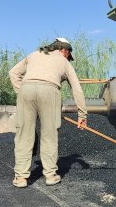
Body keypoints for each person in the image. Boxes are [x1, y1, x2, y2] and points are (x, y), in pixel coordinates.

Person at [9, 37, 88, 187]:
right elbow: (76, 87)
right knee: (49, 135)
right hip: (50, 92)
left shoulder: (33, 55)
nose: (68, 59)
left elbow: (13, 73)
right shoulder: (63, 62)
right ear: (64, 50)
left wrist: (22, 92)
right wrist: (82, 114)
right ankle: (51, 176)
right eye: (68, 55)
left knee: (24, 134)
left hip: (26, 90)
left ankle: (20, 178)